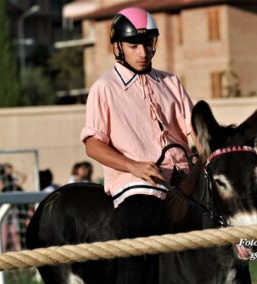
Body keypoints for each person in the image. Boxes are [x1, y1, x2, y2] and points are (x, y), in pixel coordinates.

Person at [80, 7, 193, 283]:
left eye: (147, 44)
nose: (143, 52)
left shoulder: (171, 82)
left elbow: (194, 131)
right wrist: (135, 166)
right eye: (134, 45)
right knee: (143, 222)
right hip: (137, 184)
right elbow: (93, 145)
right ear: (118, 47)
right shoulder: (103, 88)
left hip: (183, 179)